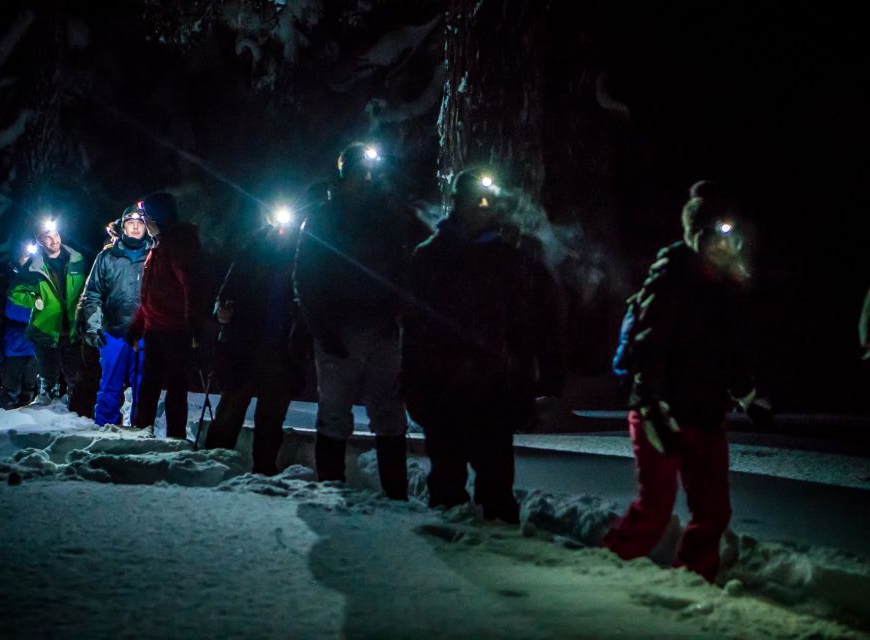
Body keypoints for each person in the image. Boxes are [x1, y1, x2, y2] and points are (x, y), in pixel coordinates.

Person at [602, 180, 767, 582]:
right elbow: (646, 348)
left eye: (730, 239)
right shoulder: (670, 278)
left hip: (705, 414)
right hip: (662, 412)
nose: (723, 247)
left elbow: (728, 353)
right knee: (656, 508)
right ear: (697, 235)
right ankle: (606, 573)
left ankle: (694, 581)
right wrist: (651, 405)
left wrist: (748, 395)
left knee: (713, 512)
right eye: (714, 237)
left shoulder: (725, 289)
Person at [403, 169, 563, 523]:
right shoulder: (430, 257)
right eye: (475, 200)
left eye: (488, 201)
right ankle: (449, 549)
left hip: (494, 387)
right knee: (446, 479)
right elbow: (414, 327)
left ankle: (500, 553)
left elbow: (527, 325)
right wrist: (414, 387)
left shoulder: (509, 259)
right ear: (457, 203)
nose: (482, 207)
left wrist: (532, 383)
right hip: (442, 385)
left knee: (496, 482)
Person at [293, 142, 410, 499]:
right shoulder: (324, 217)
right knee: (334, 411)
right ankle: (331, 487)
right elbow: (306, 276)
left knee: (389, 413)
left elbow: (404, 268)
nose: (367, 176)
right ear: (346, 172)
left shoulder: (387, 215)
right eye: (360, 169)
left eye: (370, 170)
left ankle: (396, 491)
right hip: (339, 329)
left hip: (381, 327)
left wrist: (397, 314)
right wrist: (323, 329)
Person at [205, 206, 308, 474]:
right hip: (246, 343)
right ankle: (213, 465)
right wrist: (222, 311)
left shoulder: (302, 254)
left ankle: (264, 469)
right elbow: (226, 293)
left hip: (280, 347)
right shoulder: (251, 252)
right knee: (232, 408)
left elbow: (306, 300)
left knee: (271, 416)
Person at [127, 192, 206, 439]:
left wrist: (193, 325)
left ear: (157, 218)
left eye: (146, 216)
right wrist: (139, 325)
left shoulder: (178, 244)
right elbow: (151, 293)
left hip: (175, 330)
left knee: (175, 386)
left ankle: (175, 438)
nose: (143, 221)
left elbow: (192, 286)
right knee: (149, 385)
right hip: (155, 329)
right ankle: (142, 433)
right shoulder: (159, 245)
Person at [78, 203, 151, 427]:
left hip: (145, 336)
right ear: (122, 227)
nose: (136, 227)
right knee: (110, 386)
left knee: (143, 387)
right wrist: (93, 325)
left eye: (140, 223)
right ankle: (105, 430)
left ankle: (140, 431)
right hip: (114, 333)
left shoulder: (154, 255)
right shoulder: (107, 257)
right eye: (131, 223)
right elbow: (92, 294)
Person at [9, 217, 88, 406]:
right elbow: (13, 291)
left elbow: (89, 288)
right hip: (45, 330)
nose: (54, 239)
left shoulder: (77, 259)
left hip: (73, 330)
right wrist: (35, 300)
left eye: (55, 234)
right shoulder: (33, 266)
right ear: (39, 241)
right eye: (47, 237)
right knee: (48, 381)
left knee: (75, 379)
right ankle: (47, 419)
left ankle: (75, 414)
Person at [0, 242, 38, 408]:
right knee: (10, 386)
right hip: (13, 339)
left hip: (36, 340)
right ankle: (3, 422)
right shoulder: (5, 279)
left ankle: (27, 427)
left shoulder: (41, 275)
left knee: (30, 386)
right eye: (25, 254)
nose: (29, 258)